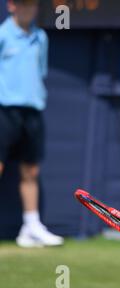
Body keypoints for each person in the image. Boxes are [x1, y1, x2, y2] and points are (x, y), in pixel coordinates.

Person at [0, 0, 63, 247]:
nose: (29, 9)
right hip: (4, 111)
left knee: (31, 170)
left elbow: (40, 71)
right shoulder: (3, 35)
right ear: (12, 6)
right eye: (24, 4)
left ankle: (31, 226)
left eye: (33, 5)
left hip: (32, 112)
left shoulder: (41, 37)